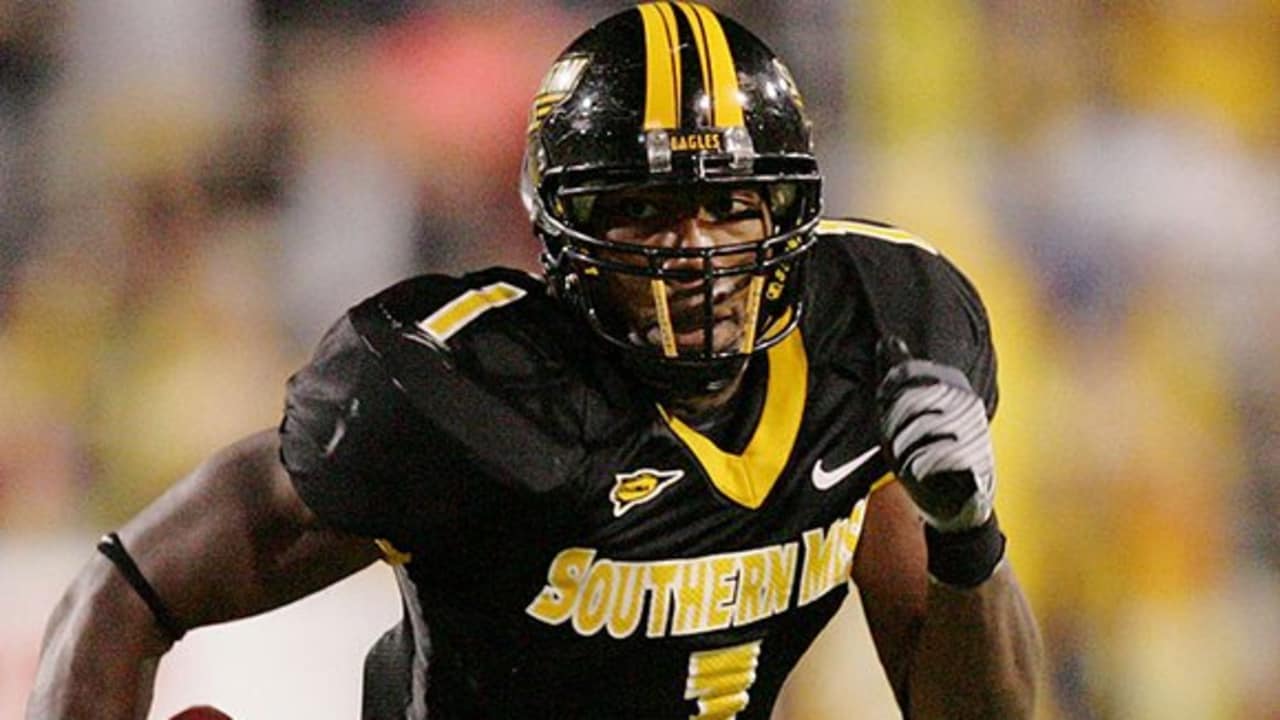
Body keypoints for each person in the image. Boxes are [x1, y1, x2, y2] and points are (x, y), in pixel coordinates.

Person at [27, 3, 1042, 718]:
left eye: (728, 204)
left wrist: (966, 538)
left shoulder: (874, 338)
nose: (692, 248)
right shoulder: (469, 396)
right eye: (641, 212)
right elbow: (122, 595)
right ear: (562, 231)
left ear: (788, 211)